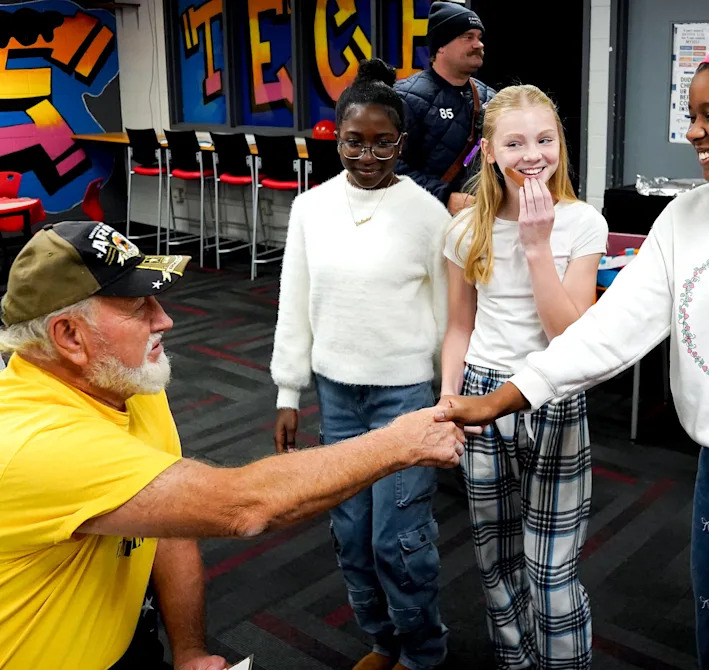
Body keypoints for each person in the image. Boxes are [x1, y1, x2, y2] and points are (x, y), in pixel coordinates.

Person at [435, 40, 709, 670]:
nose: (692, 132)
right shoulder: (686, 216)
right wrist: (501, 398)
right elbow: (612, 330)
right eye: (692, 115)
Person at [0, 221, 464, 670]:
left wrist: (189, 651)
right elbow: (243, 505)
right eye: (138, 306)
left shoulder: (123, 380)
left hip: (129, 640)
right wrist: (400, 442)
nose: (165, 319)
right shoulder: (33, 443)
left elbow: (170, 524)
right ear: (69, 336)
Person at [271, 59, 451, 670]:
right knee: (349, 534)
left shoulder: (429, 215)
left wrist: (443, 401)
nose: (367, 155)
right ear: (337, 138)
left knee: (396, 539)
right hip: (336, 395)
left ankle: (423, 653)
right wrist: (288, 392)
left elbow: (450, 315)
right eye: (354, 141)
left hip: (404, 396)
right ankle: (382, 641)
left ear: (402, 143)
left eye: (382, 142)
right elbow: (294, 302)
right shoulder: (310, 209)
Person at [441, 84, 608, 669]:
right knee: (494, 555)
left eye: (545, 139)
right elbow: (459, 329)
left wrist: (538, 248)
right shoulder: (465, 231)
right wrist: (448, 399)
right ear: (489, 151)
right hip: (482, 391)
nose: (531, 153)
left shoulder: (582, 223)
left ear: (561, 143)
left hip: (553, 390)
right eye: (514, 142)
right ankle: (515, 662)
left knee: (550, 570)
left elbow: (572, 338)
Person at [394, 1, 496, 216]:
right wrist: (444, 196)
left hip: (479, 225)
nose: (479, 44)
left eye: (479, 37)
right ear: (440, 46)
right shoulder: (405, 97)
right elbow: (390, 169)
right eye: (468, 37)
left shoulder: (491, 98)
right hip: (424, 223)